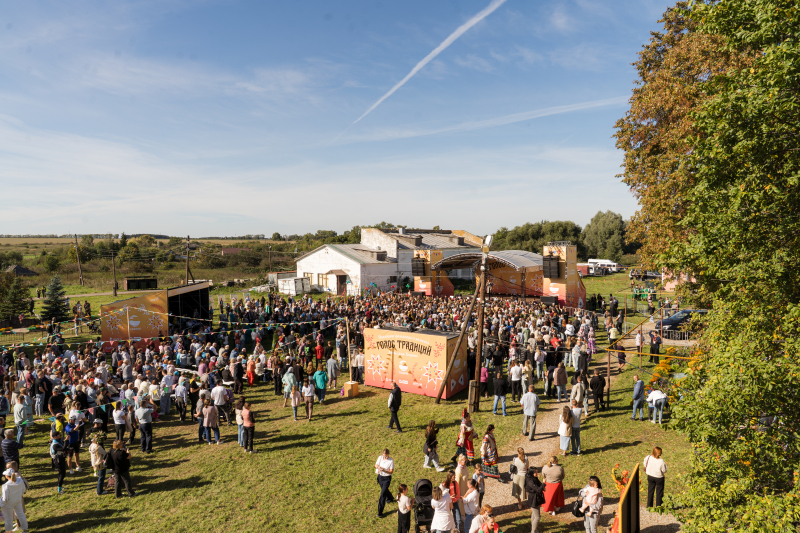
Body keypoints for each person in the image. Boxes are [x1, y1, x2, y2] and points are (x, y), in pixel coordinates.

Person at [0, 467, 27, 533]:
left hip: (8, 505)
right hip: (18, 501)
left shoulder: (6, 486)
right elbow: (23, 489)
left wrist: (0, 505)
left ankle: (9, 532)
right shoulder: (20, 480)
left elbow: (4, 499)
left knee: (8, 519)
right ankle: (25, 530)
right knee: (21, 515)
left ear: (6, 476)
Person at [375, 448, 394, 517]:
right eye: (384, 455)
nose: (385, 457)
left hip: (386, 479)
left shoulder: (391, 461)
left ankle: (380, 512)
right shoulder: (380, 457)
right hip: (380, 477)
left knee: (382, 495)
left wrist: (384, 470)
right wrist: (378, 467)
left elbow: (391, 472)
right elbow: (375, 465)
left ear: (388, 454)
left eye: (386, 456)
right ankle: (390, 498)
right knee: (384, 490)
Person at [525, 466, 545, 533]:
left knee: (534, 514)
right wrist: (543, 484)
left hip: (536, 498)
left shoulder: (534, 478)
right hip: (533, 499)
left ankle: (534, 530)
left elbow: (539, 485)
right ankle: (533, 531)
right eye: (535, 472)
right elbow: (538, 489)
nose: (537, 473)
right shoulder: (530, 481)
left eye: (537, 472)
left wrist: (543, 486)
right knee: (537, 517)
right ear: (531, 473)